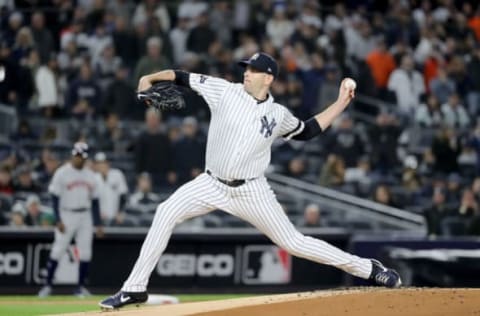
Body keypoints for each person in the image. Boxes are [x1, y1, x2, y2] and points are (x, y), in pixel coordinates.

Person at [99, 52, 401, 310]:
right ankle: (135, 287)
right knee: (165, 211)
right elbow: (180, 76)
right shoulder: (224, 90)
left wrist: (341, 103)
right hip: (211, 184)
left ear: (268, 78)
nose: (247, 72)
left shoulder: (278, 114)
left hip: (251, 190)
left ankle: (369, 268)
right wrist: (149, 78)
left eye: (254, 69)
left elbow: (308, 131)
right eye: (246, 67)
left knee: (294, 243)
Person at [38, 142, 103, 298]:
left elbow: (95, 201)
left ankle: (80, 287)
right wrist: (58, 219)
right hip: (66, 214)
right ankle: (47, 285)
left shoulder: (90, 175)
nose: (79, 159)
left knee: (86, 252)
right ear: (72, 155)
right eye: (77, 156)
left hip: (85, 215)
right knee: (58, 249)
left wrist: (98, 223)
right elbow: (54, 197)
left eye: (82, 156)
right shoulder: (62, 173)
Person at [93, 152, 129, 226]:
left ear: (108, 163)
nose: (101, 165)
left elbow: (123, 196)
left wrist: (120, 212)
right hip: (100, 218)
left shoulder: (117, 174)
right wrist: (97, 215)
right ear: (95, 165)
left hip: (116, 217)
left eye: (103, 163)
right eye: (99, 163)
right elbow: (93, 201)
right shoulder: (93, 178)